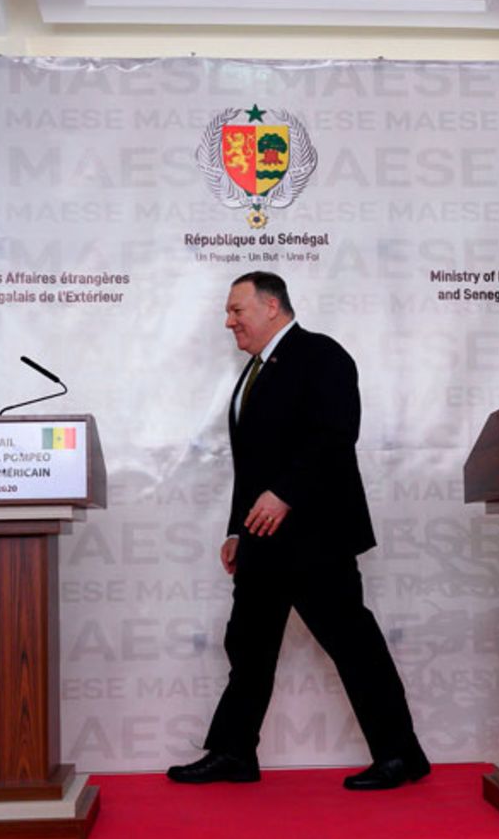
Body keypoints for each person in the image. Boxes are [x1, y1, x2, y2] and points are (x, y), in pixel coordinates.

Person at [167, 271, 428, 790]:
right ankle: (233, 752)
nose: (229, 321)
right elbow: (252, 467)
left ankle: (402, 755)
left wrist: (285, 494)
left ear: (270, 306)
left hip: (316, 539)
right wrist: (237, 530)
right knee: (247, 646)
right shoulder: (253, 372)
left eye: (237, 310)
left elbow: (334, 437)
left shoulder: (321, 355)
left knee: (352, 643)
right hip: (263, 542)